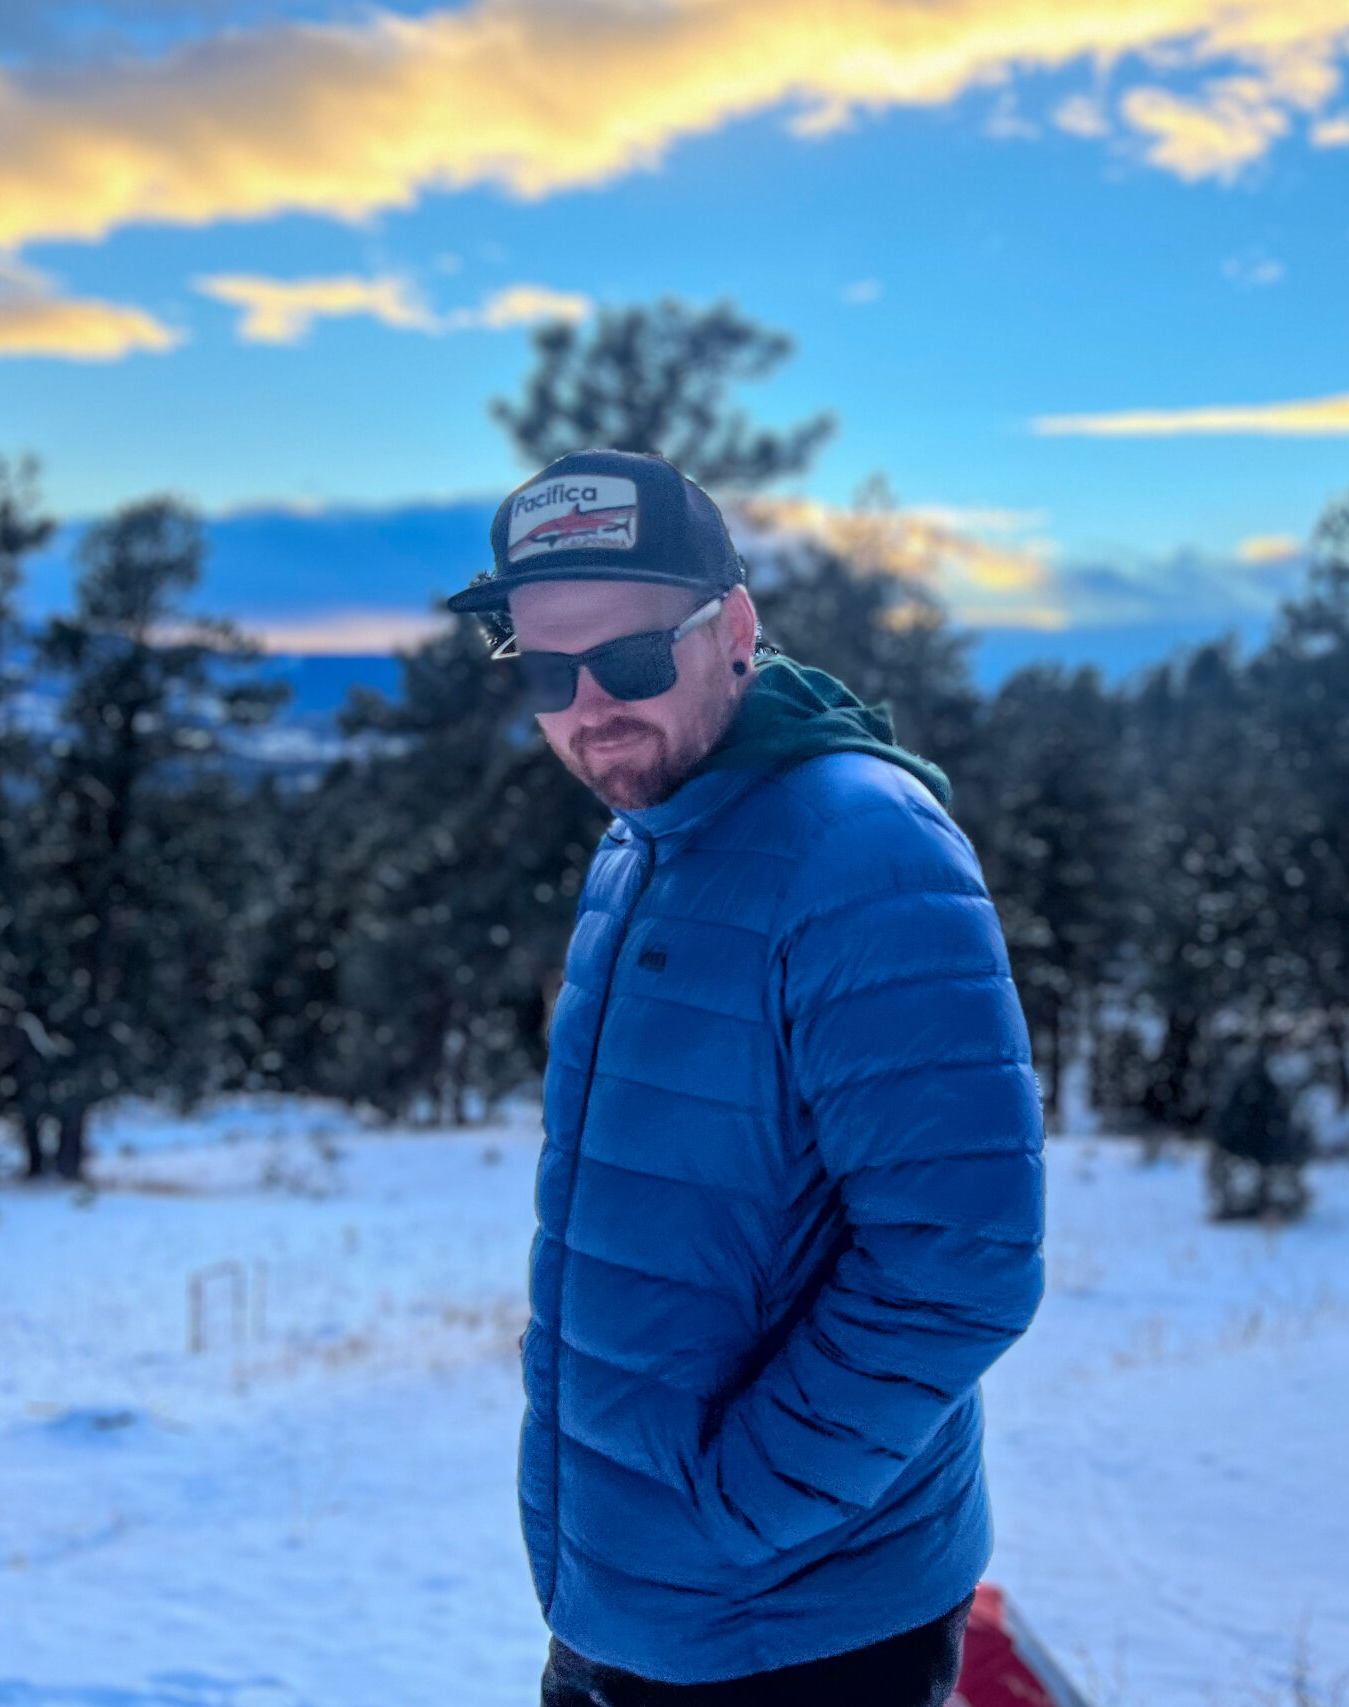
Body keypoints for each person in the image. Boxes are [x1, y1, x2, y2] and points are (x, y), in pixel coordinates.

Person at [445, 449, 1046, 1706]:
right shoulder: (649, 840)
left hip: (798, 1632)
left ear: (734, 631)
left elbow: (962, 1259)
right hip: (628, 1594)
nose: (588, 705)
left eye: (630, 659)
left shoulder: (859, 843)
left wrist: (738, 1511)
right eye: (547, 670)